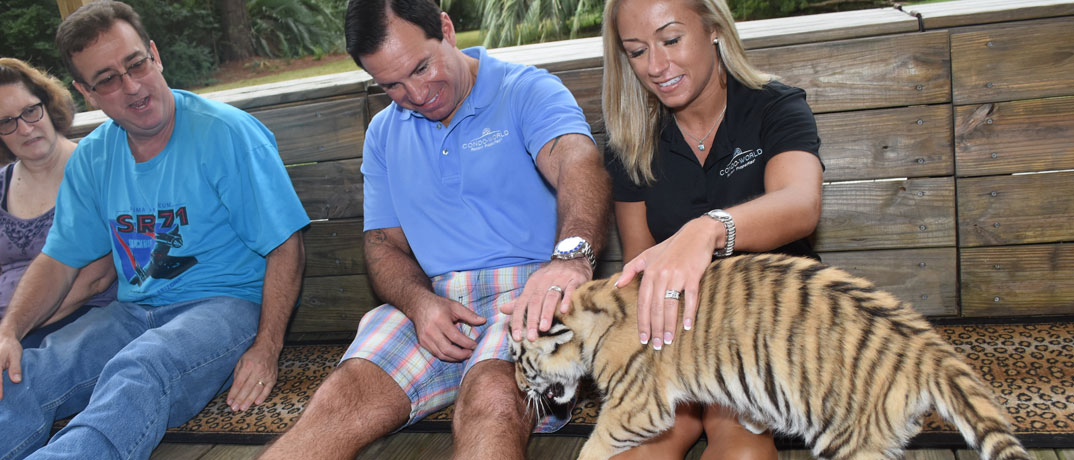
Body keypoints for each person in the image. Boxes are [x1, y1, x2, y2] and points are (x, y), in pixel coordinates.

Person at [258, 0, 610, 459]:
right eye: (391, 85)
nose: (417, 95)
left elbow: (578, 162)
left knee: (493, 398)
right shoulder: (384, 133)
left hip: (529, 296)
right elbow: (382, 244)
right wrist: (420, 303)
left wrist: (569, 259)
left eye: (421, 67)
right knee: (340, 398)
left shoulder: (525, 91)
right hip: (431, 300)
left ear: (446, 28)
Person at [0, 1, 310, 458]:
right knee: (32, 370)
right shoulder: (94, 158)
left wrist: (267, 347)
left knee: (140, 369)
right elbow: (59, 260)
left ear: (155, 54)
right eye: (107, 79)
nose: (131, 86)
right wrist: (9, 330)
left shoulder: (223, 133)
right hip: (132, 314)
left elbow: (287, 245)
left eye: (136, 64)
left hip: (223, 307)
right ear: (86, 91)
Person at [601, 0, 824, 458]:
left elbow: (801, 204)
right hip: (675, 323)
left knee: (736, 434)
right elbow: (639, 265)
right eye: (637, 51)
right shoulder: (630, 140)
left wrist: (707, 230)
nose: (656, 66)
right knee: (644, 443)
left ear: (715, 29)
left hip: (766, 316)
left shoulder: (774, 106)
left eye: (671, 40)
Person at [0, 58, 117, 348]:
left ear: (48, 105)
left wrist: (13, 330)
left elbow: (97, 278)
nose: (25, 129)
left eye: (30, 111)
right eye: (6, 122)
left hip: (77, 322)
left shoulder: (96, 171)